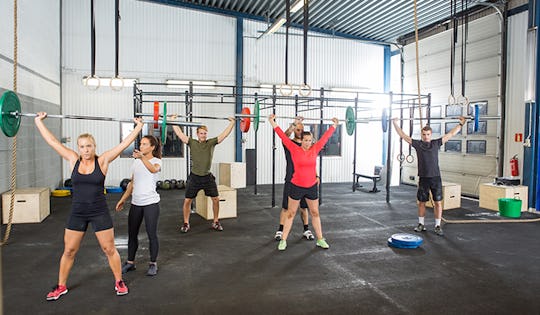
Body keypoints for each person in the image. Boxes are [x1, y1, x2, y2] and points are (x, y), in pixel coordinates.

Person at [34, 112, 144, 301]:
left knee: (109, 249)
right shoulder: (72, 159)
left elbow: (123, 145)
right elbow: (53, 142)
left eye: (89, 146)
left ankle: (119, 281)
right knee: (69, 251)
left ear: (94, 147)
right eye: (82, 147)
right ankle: (61, 286)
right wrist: (38, 121)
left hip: (98, 211)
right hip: (77, 212)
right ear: (78, 148)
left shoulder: (102, 160)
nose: (86, 150)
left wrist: (139, 128)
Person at [268, 114, 339, 251]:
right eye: (305, 140)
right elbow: (282, 136)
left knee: (315, 213)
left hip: (311, 186)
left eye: (309, 140)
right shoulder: (294, 149)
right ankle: (283, 240)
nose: (307, 142)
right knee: (290, 213)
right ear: (301, 141)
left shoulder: (315, 149)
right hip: (296, 186)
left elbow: (325, 138)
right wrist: (272, 122)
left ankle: (320, 239)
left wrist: (334, 126)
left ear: (312, 141)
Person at [392, 116, 466, 236]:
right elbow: (403, 135)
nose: (426, 136)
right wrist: (394, 123)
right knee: (421, 202)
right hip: (423, 178)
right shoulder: (417, 144)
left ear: (431, 135)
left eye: (428, 134)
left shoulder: (436, 143)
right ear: (421, 135)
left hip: (435, 178)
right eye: (424, 134)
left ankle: (437, 225)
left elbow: (451, 134)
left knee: (437, 202)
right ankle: (421, 224)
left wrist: (461, 124)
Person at [172, 117, 235, 232]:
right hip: (194, 177)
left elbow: (224, 135)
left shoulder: (211, 143)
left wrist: (232, 123)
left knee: (215, 199)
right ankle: (186, 223)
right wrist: (172, 121)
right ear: (197, 134)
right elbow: (180, 135)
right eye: (201, 133)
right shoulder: (192, 142)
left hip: (207, 177)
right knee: (187, 201)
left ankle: (216, 221)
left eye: (205, 133)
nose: (203, 135)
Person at [115, 135, 162, 276]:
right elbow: (132, 184)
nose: (141, 146)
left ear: (152, 147)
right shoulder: (136, 162)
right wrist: (123, 199)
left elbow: (153, 170)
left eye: (145, 144)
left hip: (151, 204)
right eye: (141, 144)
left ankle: (153, 263)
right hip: (136, 203)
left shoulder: (157, 161)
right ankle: (130, 263)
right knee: (132, 234)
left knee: (151, 234)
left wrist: (142, 158)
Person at [274, 117, 314, 242]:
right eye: (298, 128)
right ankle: (280, 230)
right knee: (286, 207)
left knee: (304, 207)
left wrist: (316, 175)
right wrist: (293, 124)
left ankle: (306, 229)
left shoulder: (307, 146)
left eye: (302, 129)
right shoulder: (289, 144)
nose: (300, 131)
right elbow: (284, 135)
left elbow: (312, 162)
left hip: (304, 181)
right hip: (291, 179)